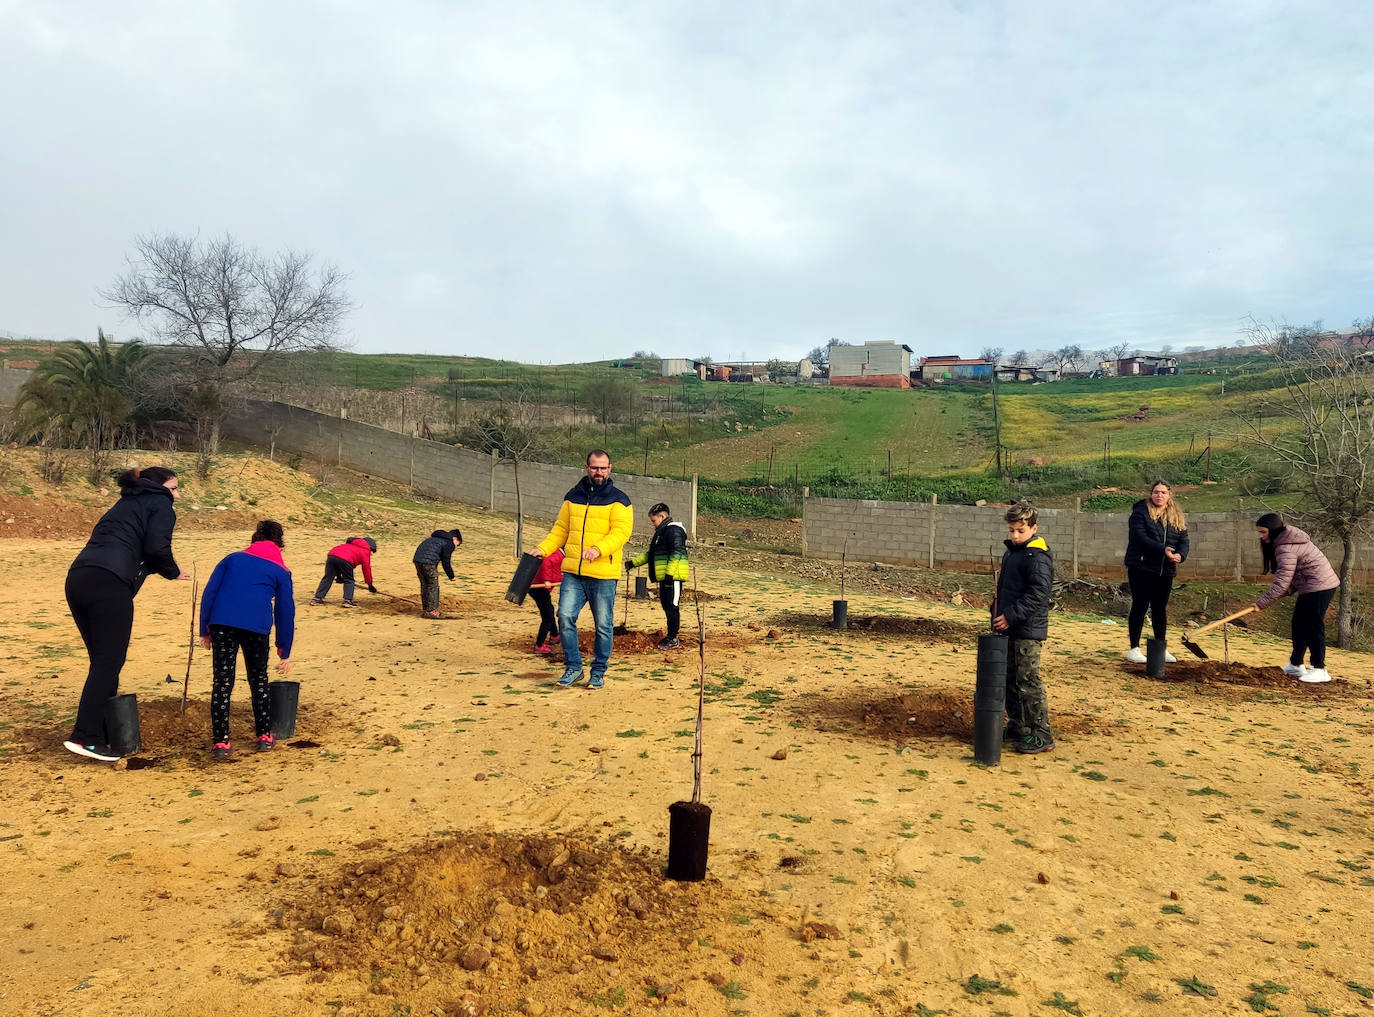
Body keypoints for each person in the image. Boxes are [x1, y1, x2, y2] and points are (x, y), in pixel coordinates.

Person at [63, 466, 189, 761]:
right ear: (159, 488)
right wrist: (172, 572)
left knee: (103, 662)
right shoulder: (161, 504)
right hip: (109, 583)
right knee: (109, 662)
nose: (178, 496)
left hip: (78, 579)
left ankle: (103, 733)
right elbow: (157, 547)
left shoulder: (124, 503)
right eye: (174, 488)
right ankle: (85, 737)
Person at [532, 449, 632, 689]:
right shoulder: (572, 497)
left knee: (604, 626)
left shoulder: (620, 500)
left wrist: (598, 549)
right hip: (574, 573)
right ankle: (573, 668)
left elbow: (621, 533)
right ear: (586, 468)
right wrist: (543, 549)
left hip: (603, 574)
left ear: (610, 469)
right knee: (565, 616)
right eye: (595, 467)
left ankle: (598, 672)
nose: (599, 472)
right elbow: (561, 530)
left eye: (604, 467)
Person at [198, 520, 295, 759]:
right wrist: (284, 649)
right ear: (280, 545)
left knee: (222, 681)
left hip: (222, 623)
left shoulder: (231, 559)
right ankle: (264, 736)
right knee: (258, 679)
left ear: (254, 540)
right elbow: (285, 611)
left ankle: (220, 742)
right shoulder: (281, 571)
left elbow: (210, 592)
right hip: (256, 627)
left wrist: (205, 629)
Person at [992, 500, 1055, 754]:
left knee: (1027, 680)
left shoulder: (1037, 557)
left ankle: (1041, 733)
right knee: (1010, 679)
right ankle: (1019, 725)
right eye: (1011, 531)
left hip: (1026, 630)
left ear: (1033, 528)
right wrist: (996, 613)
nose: (1015, 535)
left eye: (1020, 531)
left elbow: (1039, 594)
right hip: (1009, 627)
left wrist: (1011, 616)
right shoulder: (1012, 554)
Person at [1253, 512, 1340, 683]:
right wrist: (1286, 591)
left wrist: (1261, 604)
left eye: (1263, 532)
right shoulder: (1284, 541)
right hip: (1309, 586)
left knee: (1313, 625)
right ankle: (1296, 664)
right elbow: (1292, 577)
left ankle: (1319, 668)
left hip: (1320, 586)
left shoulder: (1286, 547)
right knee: (1298, 623)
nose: (1261, 537)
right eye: (1259, 532)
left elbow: (1282, 582)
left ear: (1274, 530)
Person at [1123, 480, 1190, 664]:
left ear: (1169, 495)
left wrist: (1180, 555)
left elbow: (1184, 540)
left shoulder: (1176, 517)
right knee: (1140, 606)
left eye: (1163, 492)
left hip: (1165, 570)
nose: (1159, 495)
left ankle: (1160, 647)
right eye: (1156, 492)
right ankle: (1134, 648)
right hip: (1141, 567)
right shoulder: (1140, 513)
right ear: (1151, 494)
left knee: (1160, 608)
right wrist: (1164, 549)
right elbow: (1140, 537)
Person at [626, 502, 690, 650]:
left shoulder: (674, 531)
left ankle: (673, 638)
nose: (653, 524)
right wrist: (633, 563)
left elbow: (677, 552)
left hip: (673, 577)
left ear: (662, 516)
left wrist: (669, 574)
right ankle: (670, 635)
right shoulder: (661, 532)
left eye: (654, 520)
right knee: (666, 605)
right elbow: (652, 554)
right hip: (665, 577)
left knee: (672, 606)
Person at [310, 536, 377, 607]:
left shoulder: (350, 545)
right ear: (370, 548)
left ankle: (317, 598)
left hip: (332, 555)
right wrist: (370, 585)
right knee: (349, 580)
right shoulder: (365, 551)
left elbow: (339, 559)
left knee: (328, 577)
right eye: (373, 551)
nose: (372, 554)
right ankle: (347, 601)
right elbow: (366, 569)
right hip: (346, 560)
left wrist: (339, 576)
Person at [412, 528, 462, 619]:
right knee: (433, 585)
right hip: (428, 562)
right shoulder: (449, 542)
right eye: (457, 545)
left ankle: (426, 610)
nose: (455, 547)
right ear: (455, 538)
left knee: (425, 585)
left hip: (417, 560)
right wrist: (451, 576)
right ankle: (432, 611)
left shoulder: (433, 539)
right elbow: (446, 561)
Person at [529, 548, 565, 653]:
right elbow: (547, 563)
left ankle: (554, 635)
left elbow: (555, 571)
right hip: (538, 587)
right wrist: (547, 580)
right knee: (547, 617)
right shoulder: (558, 554)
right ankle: (539, 645)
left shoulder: (557, 553)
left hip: (536, 585)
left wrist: (563, 578)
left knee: (549, 610)